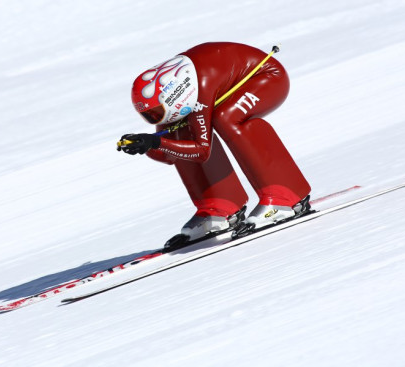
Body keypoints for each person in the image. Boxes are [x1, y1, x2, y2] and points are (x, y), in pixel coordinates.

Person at [118, 42, 311, 247]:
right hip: (218, 82)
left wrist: (155, 142)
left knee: (226, 118)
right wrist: (147, 145)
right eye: (150, 116)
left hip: (266, 76)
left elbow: (201, 151)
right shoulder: (173, 97)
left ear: (174, 96)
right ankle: (219, 207)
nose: (158, 119)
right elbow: (169, 154)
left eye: (157, 113)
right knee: (180, 130)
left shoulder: (196, 90)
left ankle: (286, 198)